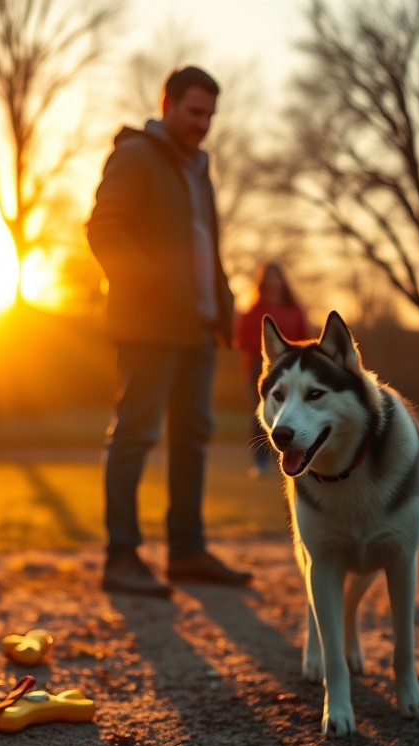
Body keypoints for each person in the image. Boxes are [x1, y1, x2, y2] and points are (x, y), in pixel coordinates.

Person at [85, 66, 251, 597]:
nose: (202, 124)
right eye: (194, 112)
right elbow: (103, 228)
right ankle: (122, 556)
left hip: (198, 330)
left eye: (210, 116)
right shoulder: (135, 156)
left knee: (193, 438)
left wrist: (223, 308)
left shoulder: (199, 169)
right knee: (135, 435)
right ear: (169, 104)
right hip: (150, 326)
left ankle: (186, 552)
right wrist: (150, 286)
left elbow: (206, 246)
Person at [234, 261, 309, 477]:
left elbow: (305, 339)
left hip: (293, 369)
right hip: (260, 366)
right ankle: (260, 461)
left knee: (294, 411)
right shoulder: (254, 310)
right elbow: (241, 339)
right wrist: (269, 349)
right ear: (263, 282)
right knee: (261, 412)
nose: (273, 281)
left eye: (277, 277)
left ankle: (297, 457)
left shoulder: (294, 310)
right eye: (269, 277)